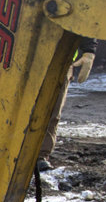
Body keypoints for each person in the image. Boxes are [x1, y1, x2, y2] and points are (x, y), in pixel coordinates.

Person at [37, 40, 97, 171]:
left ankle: (39, 156)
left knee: (51, 112)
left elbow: (83, 20)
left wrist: (89, 51)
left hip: (60, 62)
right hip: (21, 59)